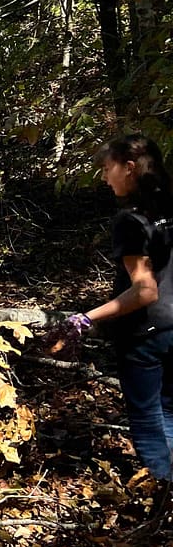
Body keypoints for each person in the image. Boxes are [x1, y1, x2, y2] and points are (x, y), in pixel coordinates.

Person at [61, 133, 173, 516]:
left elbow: (144, 292)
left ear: (129, 167)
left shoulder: (132, 220)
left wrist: (87, 317)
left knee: (146, 416)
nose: (104, 178)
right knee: (170, 410)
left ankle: (161, 498)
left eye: (107, 169)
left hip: (147, 334)